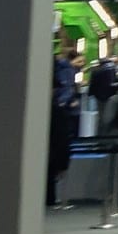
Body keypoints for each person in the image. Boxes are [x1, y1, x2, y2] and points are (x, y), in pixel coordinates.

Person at [47, 48, 81, 206]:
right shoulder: (67, 72)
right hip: (55, 152)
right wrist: (64, 163)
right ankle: (50, 198)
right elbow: (63, 140)